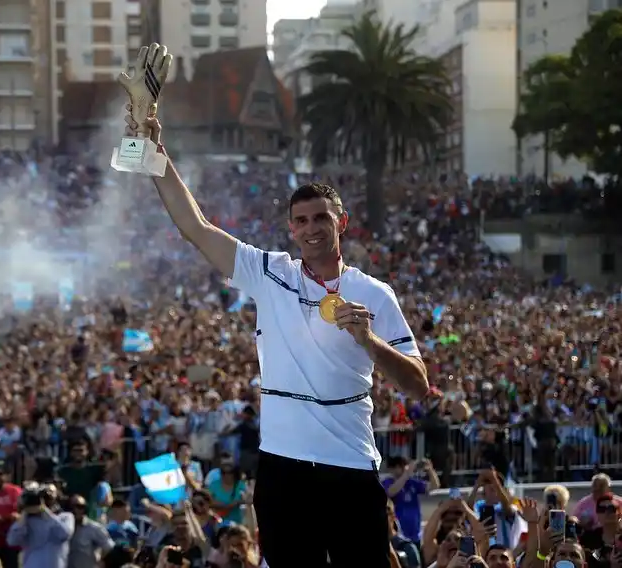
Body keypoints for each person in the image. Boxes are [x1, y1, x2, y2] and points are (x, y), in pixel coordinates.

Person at [124, 72, 428, 567]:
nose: (311, 229)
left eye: (321, 219)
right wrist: (155, 147)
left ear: (341, 223)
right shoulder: (269, 273)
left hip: (350, 466)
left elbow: (418, 386)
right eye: (302, 221)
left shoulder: (374, 293)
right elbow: (194, 227)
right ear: (291, 227)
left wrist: (369, 340)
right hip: (282, 468)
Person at [6, 483, 75, 568]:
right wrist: (24, 513)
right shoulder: (26, 520)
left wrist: (44, 511)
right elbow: (12, 541)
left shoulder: (65, 517)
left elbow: (64, 534)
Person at [67, 495, 115, 568]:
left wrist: (100, 562)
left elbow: (109, 547)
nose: (76, 510)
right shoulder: (63, 528)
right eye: (72, 507)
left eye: (80, 507)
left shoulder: (94, 528)